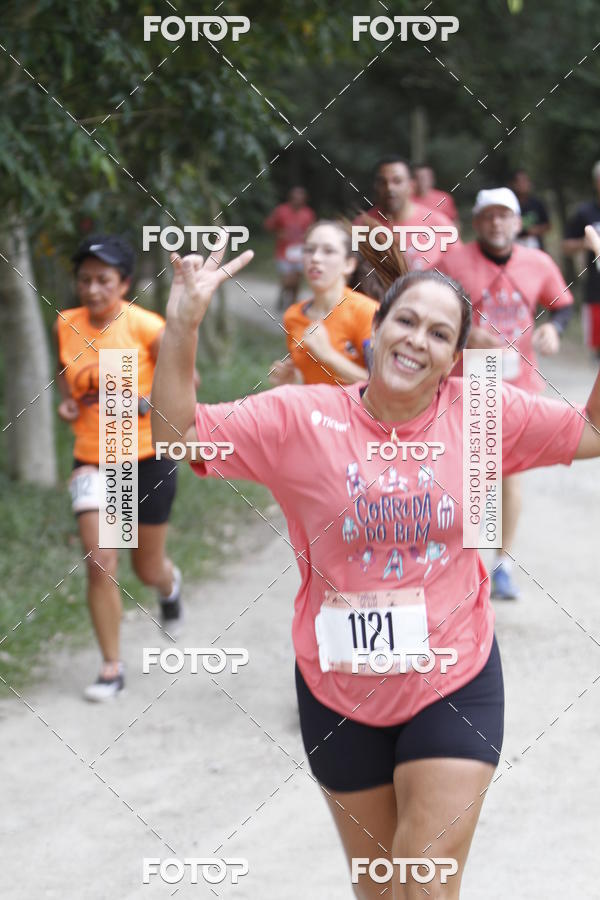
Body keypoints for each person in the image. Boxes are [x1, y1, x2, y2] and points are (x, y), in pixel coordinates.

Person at [151, 233, 600, 899]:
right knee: (380, 890)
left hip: (453, 679)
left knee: (421, 882)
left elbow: (591, 433)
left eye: (440, 333)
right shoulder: (302, 419)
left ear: (454, 358)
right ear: (377, 327)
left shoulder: (478, 413)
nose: (419, 339)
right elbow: (175, 435)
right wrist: (184, 321)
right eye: (407, 320)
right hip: (338, 693)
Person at [55, 234, 183, 701]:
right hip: (93, 456)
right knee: (99, 561)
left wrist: (143, 402)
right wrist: (70, 406)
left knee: (146, 568)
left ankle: (169, 587)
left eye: (103, 280)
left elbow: (186, 383)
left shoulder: (148, 327)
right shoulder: (65, 324)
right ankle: (112, 667)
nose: (92, 290)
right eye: (85, 280)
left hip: (144, 458)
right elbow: (72, 387)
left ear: (124, 282)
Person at [437, 187, 574, 600]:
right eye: (489, 216)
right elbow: (434, 308)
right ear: (476, 223)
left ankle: (502, 565)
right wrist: (464, 333)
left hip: (519, 382)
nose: (497, 223)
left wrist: (554, 327)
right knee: (471, 475)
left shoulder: (538, 262)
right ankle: (466, 563)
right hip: (469, 378)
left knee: (510, 473)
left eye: (505, 216)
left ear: (518, 222)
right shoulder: (454, 261)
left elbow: (562, 305)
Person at [269, 219, 406, 387]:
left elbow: (386, 385)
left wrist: (328, 355)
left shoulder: (367, 312)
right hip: (312, 412)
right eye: (309, 250)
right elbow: (310, 381)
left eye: (328, 251)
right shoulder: (293, 315)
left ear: (349, 264)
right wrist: (289, 382)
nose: (315, 258)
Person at [356, 156, 460, 271]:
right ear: (376, 186)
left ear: (411, 186)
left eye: (397, 181)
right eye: (382, 182)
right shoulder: (361, 225)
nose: (389, 188)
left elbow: (460, 269)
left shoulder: (439, 224)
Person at [564, 160, 600, 360]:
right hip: (596, 290)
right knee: (597, 352)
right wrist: (586, 244)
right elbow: (566, 246)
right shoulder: (585, 212)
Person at [264, 186, 316, 310]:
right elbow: (269, 225)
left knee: (297, 280)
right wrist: (279, 233)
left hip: (300, 252)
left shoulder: (308, 214)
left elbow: (313, 230)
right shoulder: (281, 211)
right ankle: (283, 293)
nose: (298, 200)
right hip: (284, 252)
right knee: (287, 280)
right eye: (295, 198)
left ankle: (293, 306)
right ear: (290, 198)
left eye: (301, 198)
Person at [509, 169, 551, 250]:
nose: (524, 184)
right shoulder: (509, 204)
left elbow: (548, 225)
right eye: (520, 181)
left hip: (535, 246)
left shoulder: (536, 203)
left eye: (526, 181)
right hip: (514, 246)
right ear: (513, 184)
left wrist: (536, 230)